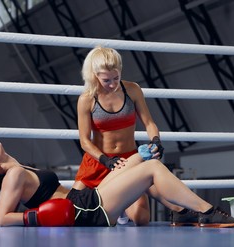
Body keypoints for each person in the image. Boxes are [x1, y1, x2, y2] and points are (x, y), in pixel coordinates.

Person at [0, 142, 234, 228]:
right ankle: (207, 213)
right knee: (151, 168)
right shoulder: (13, 175)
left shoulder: (20, 168)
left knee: (136, 161)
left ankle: (179, 212)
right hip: (83, 211)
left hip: (83, 200)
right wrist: (39, 217)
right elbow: (4, 220)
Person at [74, 46, 184, 225]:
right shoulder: (86, 99)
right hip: (99, 161)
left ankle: (121, 207)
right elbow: (85, 141)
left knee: (142, 219)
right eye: (106, 80)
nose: (112, 84)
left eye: (116, 78)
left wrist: (156, 140)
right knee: (74, 212)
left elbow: (149, 123)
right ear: (95, 75)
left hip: (129, 160)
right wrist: (105, 160)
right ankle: (116, 208)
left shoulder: (132, 90)